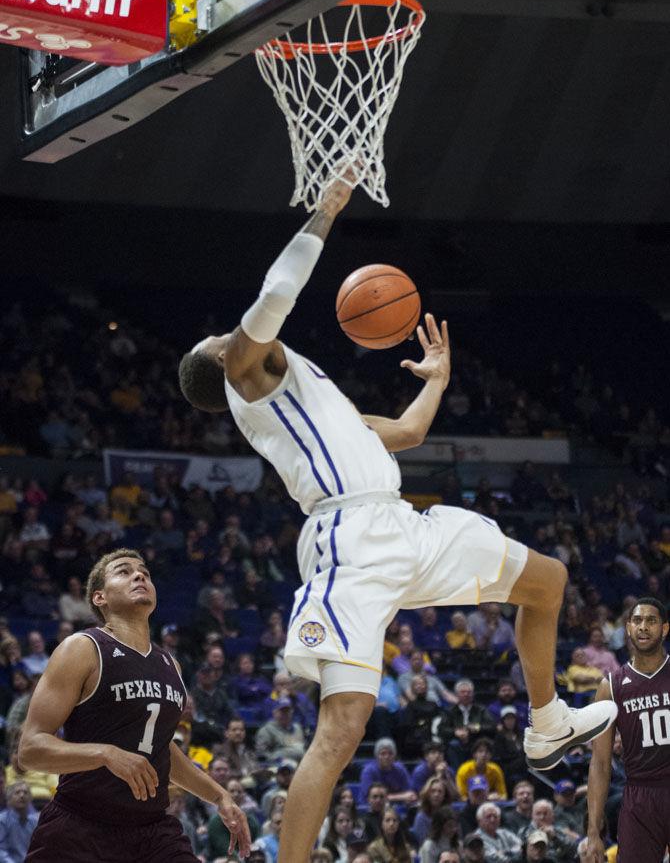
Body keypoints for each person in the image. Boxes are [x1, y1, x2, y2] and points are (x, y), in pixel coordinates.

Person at [178, 172, 617, 863]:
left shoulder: (313, 402)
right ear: (225, 362)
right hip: (349, 542)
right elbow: (273, 298)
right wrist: (324, 213)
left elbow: (405, 433)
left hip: (401, 525)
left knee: (548, 579)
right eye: (224, 338)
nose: (233, 334)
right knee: (342, 727)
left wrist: (437, 381)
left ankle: (546, 721)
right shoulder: (243, 374)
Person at [18, 548, 250, 862]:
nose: (139, 575)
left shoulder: (171, 664)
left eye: (144, 572)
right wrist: (105, 754)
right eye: (124, 571)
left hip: (153, 831)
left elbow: (161, 748)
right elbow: (31, 749)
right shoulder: (82, 649)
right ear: (100, 598)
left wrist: (218, 795)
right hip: (81, 826)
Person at [586, 596, 670, 863]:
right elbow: (600, 763)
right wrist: (593, 833)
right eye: (637, 620)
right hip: (639, 796)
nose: (643, 626)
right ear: (628, 629)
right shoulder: (610, 686)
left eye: (651, 620)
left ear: (665, 629)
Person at [0, 780, 39, 862]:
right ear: (9, 799)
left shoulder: (34, 821)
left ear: (30, 799)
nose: (22, 795)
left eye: (25, 792)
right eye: (17, 793)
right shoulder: (2, 821)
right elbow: (1, 851)